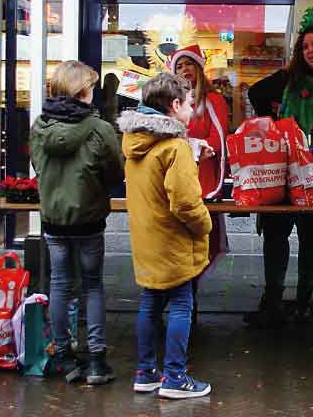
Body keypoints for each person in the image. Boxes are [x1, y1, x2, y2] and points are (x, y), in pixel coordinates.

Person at [246, 8, 313, 326]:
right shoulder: (287, 79)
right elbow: (255, 92)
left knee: (312, 238)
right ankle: (273, 302)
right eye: (305, 46)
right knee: (275, 234)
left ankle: (304, 302)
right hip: (285, 170)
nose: (310, 51)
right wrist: (271, 123)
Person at [117, 72, 212, 399]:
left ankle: (145, 372)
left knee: (151, 303)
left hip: (147, 240)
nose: (192, 109)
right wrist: (205, 224)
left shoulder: (135, 142)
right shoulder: (175, 147)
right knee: (182, 304)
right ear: (174, 105)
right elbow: (184, 202)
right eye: (189, 103)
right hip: (173, 242)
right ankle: (175, 377)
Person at [30, 60, 124, 385]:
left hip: (53, 220)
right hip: (89, 218)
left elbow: (37, 166)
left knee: (59, 284)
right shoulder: (100, 129)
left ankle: (64, 357)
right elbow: (115, 174)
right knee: (92, 285)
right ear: (82, 91)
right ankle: (96, 360)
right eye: (91, 88)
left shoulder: (40, 126)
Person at [169, 45, 229, 324]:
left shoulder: (213, 101)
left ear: (199, 69)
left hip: (203, 184)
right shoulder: (171, 103)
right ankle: (182, 305)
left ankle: (187, 305)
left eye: (189, 65)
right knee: (178, 247)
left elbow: (219, 139)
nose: (185, 70)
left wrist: (192, 149)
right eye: (180, 66)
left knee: (200, 246)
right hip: (175, 184)